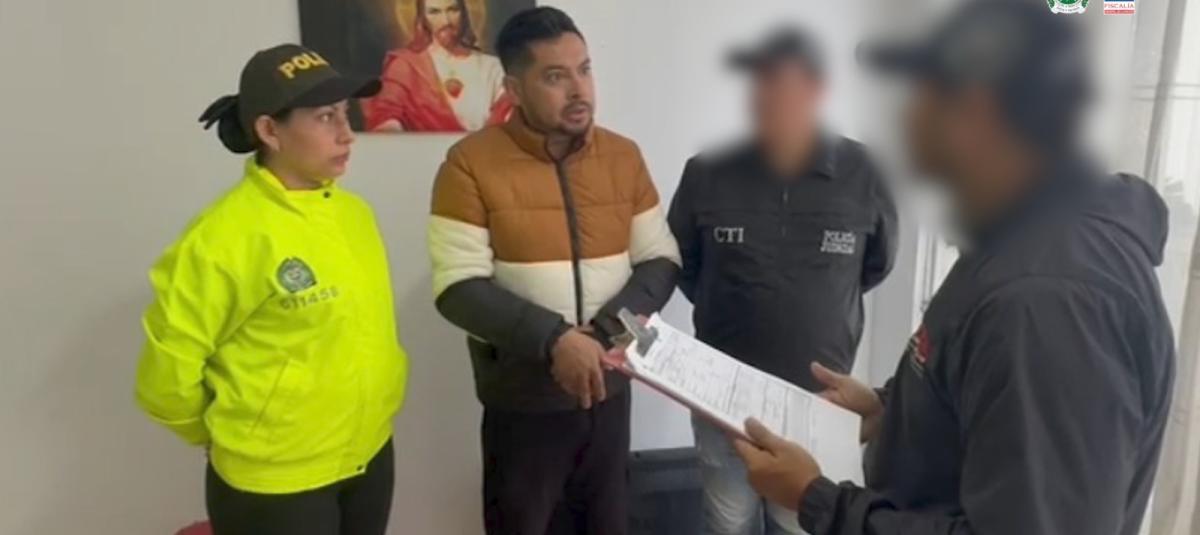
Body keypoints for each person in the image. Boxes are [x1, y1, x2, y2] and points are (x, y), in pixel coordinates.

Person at [732, 2, 1176, 535]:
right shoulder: (1017, 238)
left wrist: (819, 501)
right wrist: (888, 409)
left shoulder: (1046, 300)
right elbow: (984, 397)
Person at [135, 44, 409, 535]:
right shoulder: (222, 237)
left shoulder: (355, 215)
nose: (347, 132)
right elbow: (165, 380)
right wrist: (230, 435)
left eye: (344, 113)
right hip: (276, 485)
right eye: (325, 117)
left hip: (368, 455)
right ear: (269, 130)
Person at [427, 7, 680, 535]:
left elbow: (660, 259)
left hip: (610, 389)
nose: (579, 90)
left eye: (584, 70)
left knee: (608, 524)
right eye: (555, 76)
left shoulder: (623, 157)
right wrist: (556, 340)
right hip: (523, 402)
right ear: (514, 89)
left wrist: (604, 334)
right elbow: (458, 286)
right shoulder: (469, 163)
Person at [668, 26, 897, 535]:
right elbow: (683, 264)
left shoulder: (865, 173)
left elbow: (877, 263)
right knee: (727, 522)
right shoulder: (706, 173)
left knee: (802, 524)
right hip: (720, 400)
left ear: (816, 91)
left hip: (818, 406)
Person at [361, 0, 513, 132]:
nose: (446, 21)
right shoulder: (406, 66)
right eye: (434, 12)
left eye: (453, 10)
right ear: (422, 17)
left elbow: (508, 117)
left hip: (480, 152)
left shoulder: (491, 67)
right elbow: (386, 114)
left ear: (464, 13)